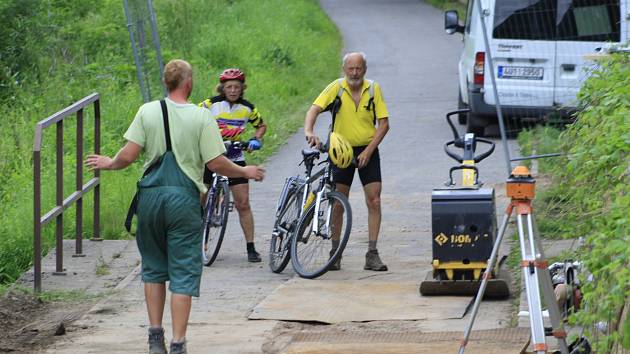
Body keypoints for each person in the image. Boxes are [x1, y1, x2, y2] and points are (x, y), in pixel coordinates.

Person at [85, 59, 265, 354]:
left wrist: (109, 163)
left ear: (166, 82)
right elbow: (215, 163)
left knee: (153, 268)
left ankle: (155, 337)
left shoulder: (147, 111)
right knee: (182, 271)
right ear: (188, 83)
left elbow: (128, 156)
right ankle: (178, 342)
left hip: (151, 198)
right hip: (183, 199)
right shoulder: (201, 116)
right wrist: (245, 171)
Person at [304, 52, 390, 272]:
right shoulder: (336, 88)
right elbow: (313, 109)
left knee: (374, 200)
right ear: (344, 70)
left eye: (358, 68)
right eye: (350, 69)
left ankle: (372, 254)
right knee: (338, 202)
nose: (354, 73)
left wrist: (369, 151)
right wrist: (309, 131)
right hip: (340, 151)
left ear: (365, 69)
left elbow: (384, 124)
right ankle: (335, 252)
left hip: (367, 151)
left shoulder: (373, 89)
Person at [199, 68, 267, 263]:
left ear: (242, 88)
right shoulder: (211, 104)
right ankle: (200, 241)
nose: (233, 90)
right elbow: (192, 117)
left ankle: (251, 247)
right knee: (200, 200)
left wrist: (256, 139)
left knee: (243, 203)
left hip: (235, 155)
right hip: (212, 154)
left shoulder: (247, 108)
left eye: (237, 87)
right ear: (222, 88)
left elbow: (261, 125)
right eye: (229, 86)